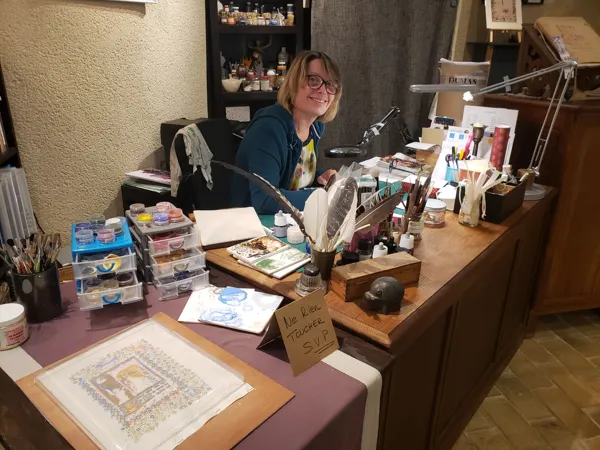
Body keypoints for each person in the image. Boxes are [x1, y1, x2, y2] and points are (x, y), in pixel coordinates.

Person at [231, 50, 342, 214]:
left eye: (331, 84)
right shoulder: (268, 128)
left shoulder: (315, 127)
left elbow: (291, 178)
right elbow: (265, 199)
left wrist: (320, 179)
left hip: (288, 222)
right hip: (251, 224)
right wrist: (323, 197)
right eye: (314, 80)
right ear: (294, 82)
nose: (323, 90)